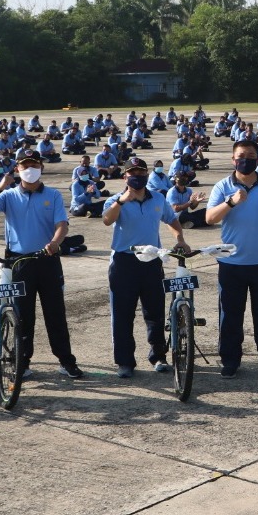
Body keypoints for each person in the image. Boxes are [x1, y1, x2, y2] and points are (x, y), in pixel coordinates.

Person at [0, 149, 84, 379]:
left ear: (42, 167)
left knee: (55, 313)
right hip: (18, 262)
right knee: (22, 315)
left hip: (47, 260)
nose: (30, 170)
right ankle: (22, 361)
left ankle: (66, 360)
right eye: (25, 166)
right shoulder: (8, 195)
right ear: (17, 169)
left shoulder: (52, 195)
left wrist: (55, 242)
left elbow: (62, 224)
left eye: (34, 165)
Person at [206, 139, 258, 378]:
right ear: (233, 160)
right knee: (230, 316)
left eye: (251, 155)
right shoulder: (223, 186)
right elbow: (210, 218)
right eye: (241, 156)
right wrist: (230, 202)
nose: (246, 160)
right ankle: (230, 360)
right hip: (231, 263)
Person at [101, 157, 189, 377]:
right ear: (125, 176)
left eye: (141, 173)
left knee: (155, 312)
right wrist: (121, 201)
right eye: (132, 173)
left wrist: (179, 238)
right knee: (122, 314)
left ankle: (158, 355)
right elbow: (106, 220)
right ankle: (125, 362)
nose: (137, 177)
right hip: (124, 261)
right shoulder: (115, 200)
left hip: (151, 260)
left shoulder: (158, 199)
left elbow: (171, 219)